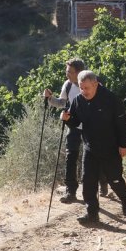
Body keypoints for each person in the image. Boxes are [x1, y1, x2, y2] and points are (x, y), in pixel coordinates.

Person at [61, 70, 126, 224]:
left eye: (87, 88)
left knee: (114, 180)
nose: (83, 91)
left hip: (111, 147)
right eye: (81, 88)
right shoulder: (78, 100)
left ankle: (125, 200)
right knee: (88, 182)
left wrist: (123, 144)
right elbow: (74, 122)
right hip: (90, 147)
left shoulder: (111, 99)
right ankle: (92, 214)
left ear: (95, 84)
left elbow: (121, 123)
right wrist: (66, 119)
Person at [44, 58, 85, 203]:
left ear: (79, 72)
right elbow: (62, 102)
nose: (67, 74)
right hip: (73, 126)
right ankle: (71, 192)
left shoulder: (90, 83)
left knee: (93, 157)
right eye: (66, 71)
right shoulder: (67, 85)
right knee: (70, 157)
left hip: (90, 127)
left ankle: (101, 183)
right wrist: (50, 99)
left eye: (70, 72)